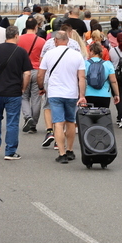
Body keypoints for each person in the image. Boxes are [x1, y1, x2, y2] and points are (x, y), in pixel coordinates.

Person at [38, 31, 86, 164]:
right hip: (71, 93)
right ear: (68, 41)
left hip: (55, 93)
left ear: (55, 41)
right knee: (70, 121)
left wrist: (41, 88)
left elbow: (40, 75)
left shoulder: (49, 54)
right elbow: (81, 77)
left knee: (58, 123)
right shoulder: (77, 55)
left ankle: (62, 153)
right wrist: (81, 95)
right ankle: (70, 150)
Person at [0, 26, 32, 160]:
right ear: (16, 35)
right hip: (14, 91)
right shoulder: (21, 52)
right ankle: (10, 151)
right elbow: (27, 73)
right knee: (12, 121)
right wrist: (23, 87)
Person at [17, 18, 47, 134]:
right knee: (36, 98)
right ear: (36, 27)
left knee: (23, 96)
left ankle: (27, 116)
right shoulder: (41, 41)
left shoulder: (19, 39)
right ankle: (33, 124)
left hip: (23, 71)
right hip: (37, 71)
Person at [82, 42, 121, 115]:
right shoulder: (108, 64)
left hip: (89, 95)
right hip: (104, 96)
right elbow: (113, 81)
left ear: (91, 51)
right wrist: (117, 95)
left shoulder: (85, 63)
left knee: (89, 118)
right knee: (103, 118)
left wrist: (81, 95)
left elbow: (82, 80)